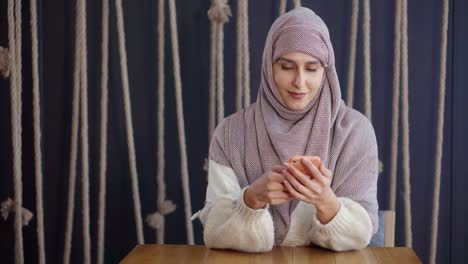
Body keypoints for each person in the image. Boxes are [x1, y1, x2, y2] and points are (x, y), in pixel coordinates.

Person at [192, 7, 378, 252]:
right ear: (270, 68)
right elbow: (214, 233)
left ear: (326, 71)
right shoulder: (231, 133)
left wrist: (325, 202)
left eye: (312, 68)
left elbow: (361, 234)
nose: (299, 82)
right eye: (287, 67)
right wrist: (252, 200)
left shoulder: (354, 131)